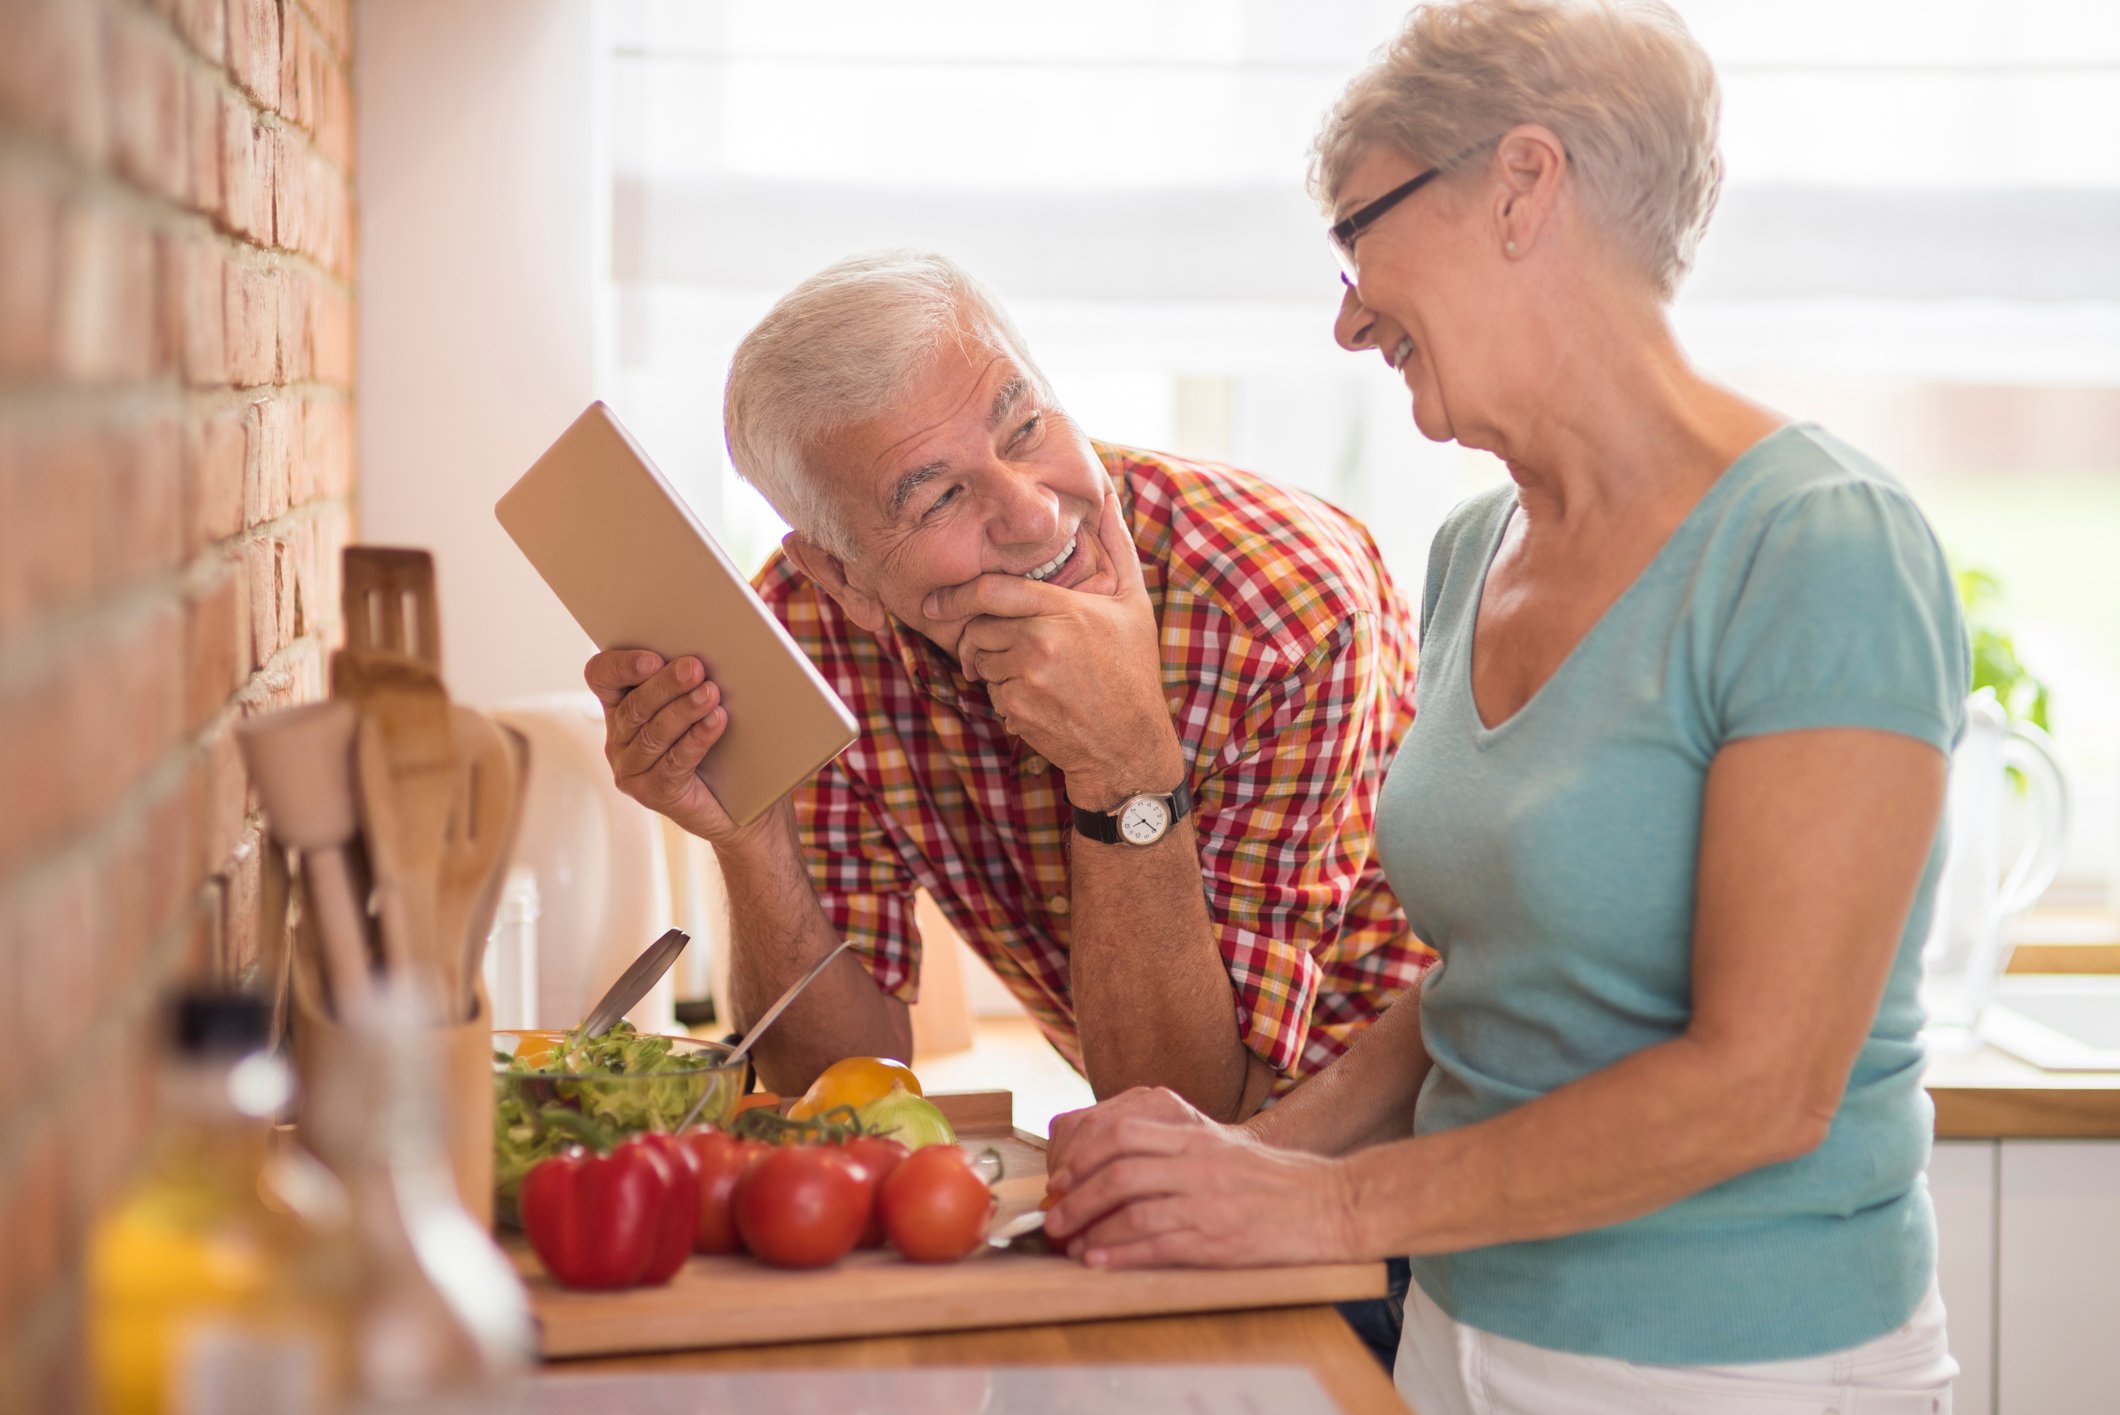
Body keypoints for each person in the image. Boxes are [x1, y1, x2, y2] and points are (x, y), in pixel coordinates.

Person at [1038, 3, 1968, 1411]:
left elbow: (1762, 1083)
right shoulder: (1477, 549)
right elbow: (1490, 982)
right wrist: (1264, 1160)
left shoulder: (1818, 543)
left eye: (1361, 233)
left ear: (1524, 186)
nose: (1347, 313)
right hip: (1461, 1327)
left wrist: (1329, 1214)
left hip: (1742, 1362)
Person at [584, 251, 1431, 1132]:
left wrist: (1127, 762)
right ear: (844, 577)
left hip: (1402, 1143)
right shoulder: (808, 634)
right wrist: (752, 837)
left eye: (1024, 428)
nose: (1031, 514)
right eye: (940, 495)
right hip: (1165, 1173)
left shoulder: (1284, 610)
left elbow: (1195, 1108)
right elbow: (835, 1085)